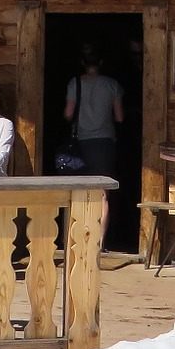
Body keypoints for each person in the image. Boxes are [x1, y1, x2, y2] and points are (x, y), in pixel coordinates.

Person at [64, 49, 125, 234]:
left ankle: (77, 236)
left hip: (80, 142)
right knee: (103, 194)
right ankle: (99, 241)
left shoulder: (75, 83)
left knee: (77, 191)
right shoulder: (112, 85)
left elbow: (68, 113)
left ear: (83, 63)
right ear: (101, 63)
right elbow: (120, 117)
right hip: (104, 143)